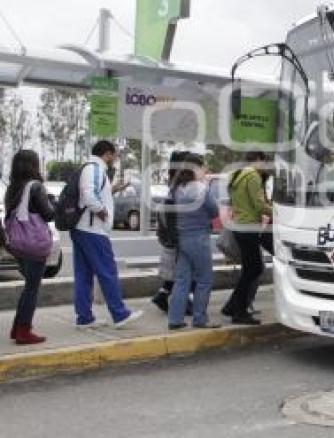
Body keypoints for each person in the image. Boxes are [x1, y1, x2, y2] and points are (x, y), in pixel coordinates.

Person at [72, 140, 143, 329]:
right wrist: (102, 212)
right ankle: (120, 314)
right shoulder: (94, 168)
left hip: (83, 229)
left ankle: (84, 318)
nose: (115, 158)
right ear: (107, 154)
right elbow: (88, 195)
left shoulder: (91, 168)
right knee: (107, 271)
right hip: (93, 230)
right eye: (115, 154)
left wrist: (112, 190)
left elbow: (94, 193)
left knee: (84, 274)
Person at [5, 150, 55, 345]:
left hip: (17, 244)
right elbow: (49, 214)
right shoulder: (35, 187)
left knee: (29, 287)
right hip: (33, 245)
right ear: (33, 165)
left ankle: (17, 327)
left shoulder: (13, 188)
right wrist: (52, 201)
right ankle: (24, 331)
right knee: (32, 289)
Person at [168, 153, 220, 330]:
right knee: (204, 279)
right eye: (203, 167)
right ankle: (199, 319)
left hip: (181, 238)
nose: (205, 170)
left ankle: (175, 319)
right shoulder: (201, 189)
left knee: (182, 280)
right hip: (199, 238)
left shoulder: (177, 188)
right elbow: (214, 212)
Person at [222, 152, 272, 325]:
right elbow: (259, 205)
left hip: (240, 226)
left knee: (250, 269)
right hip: (248, 227)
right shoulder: (253, 176)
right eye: (264, 162)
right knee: (254, 269)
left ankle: (233, 306)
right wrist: (278, 212)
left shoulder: (238, 175)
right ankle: (239, 312)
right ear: (257, 160)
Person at [152, 150, 194, 315]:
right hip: (178, 232)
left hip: (171, 232)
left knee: (177, 269)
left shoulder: (174, 179)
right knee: (185, 270)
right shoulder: (182, 181)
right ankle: (184, 303)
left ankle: (163, 295)